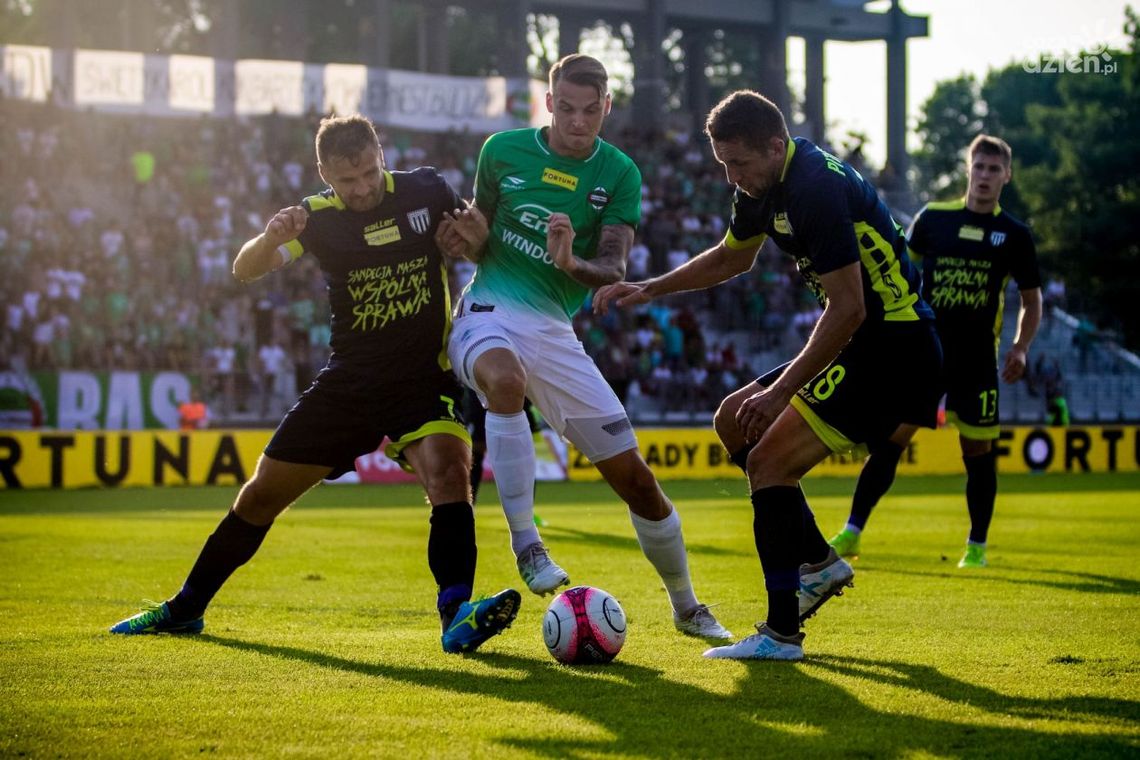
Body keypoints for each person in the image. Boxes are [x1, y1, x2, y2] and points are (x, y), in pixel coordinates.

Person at [110, 114, 520, 654]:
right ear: (324, 173)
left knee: (449, 474)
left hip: (422, 377)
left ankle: (455, 614)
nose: (362, 188)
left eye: (369, 173)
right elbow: (245, 269)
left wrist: (469, 237)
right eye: (347, 181)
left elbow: (476, 245)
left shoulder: (425, 188)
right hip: (349, 383)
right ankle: (184, 609)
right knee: (259, 497)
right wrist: (268, 238)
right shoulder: (316, 218)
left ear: (380, 154)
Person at [593, 90, 943, 660]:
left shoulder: (813, 188)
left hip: (892, 348)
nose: (733, 178)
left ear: (776, 146)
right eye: (724, 164)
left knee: (768, 461)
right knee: (733, 420)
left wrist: (781, 392)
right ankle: (819, 564)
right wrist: (651, 287)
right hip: (867, 341)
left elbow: (849, 307)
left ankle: (781, 634)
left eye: (739, 164)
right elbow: (734, 256)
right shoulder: (764, 184)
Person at [436, 54, 730, 640]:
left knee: (638, 482)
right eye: (566, 108)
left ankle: (688, 606)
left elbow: (615, 267)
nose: (577, 121)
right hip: (488, 310)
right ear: (548, 103)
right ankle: (528, 546)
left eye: (590, 111)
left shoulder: (619, 173)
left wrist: (572, 262)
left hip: (552, 329)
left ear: (606, 109)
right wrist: (460, 240)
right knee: (505, 382)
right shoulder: (501, 151)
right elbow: (479, 236)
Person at [828, 135, 1042, 569]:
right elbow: (897, 269)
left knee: (976, 454)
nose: (984, 176)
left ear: (1006, 176)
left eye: (993, 169)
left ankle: (976, 547)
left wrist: (1020, 348)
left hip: (980, 359)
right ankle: (852, 531)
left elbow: (1032, 299)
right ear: (968, 169)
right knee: (890, 442)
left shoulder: (1015, 235)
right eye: (978, 167)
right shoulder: (933, 219)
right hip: (926, 352)